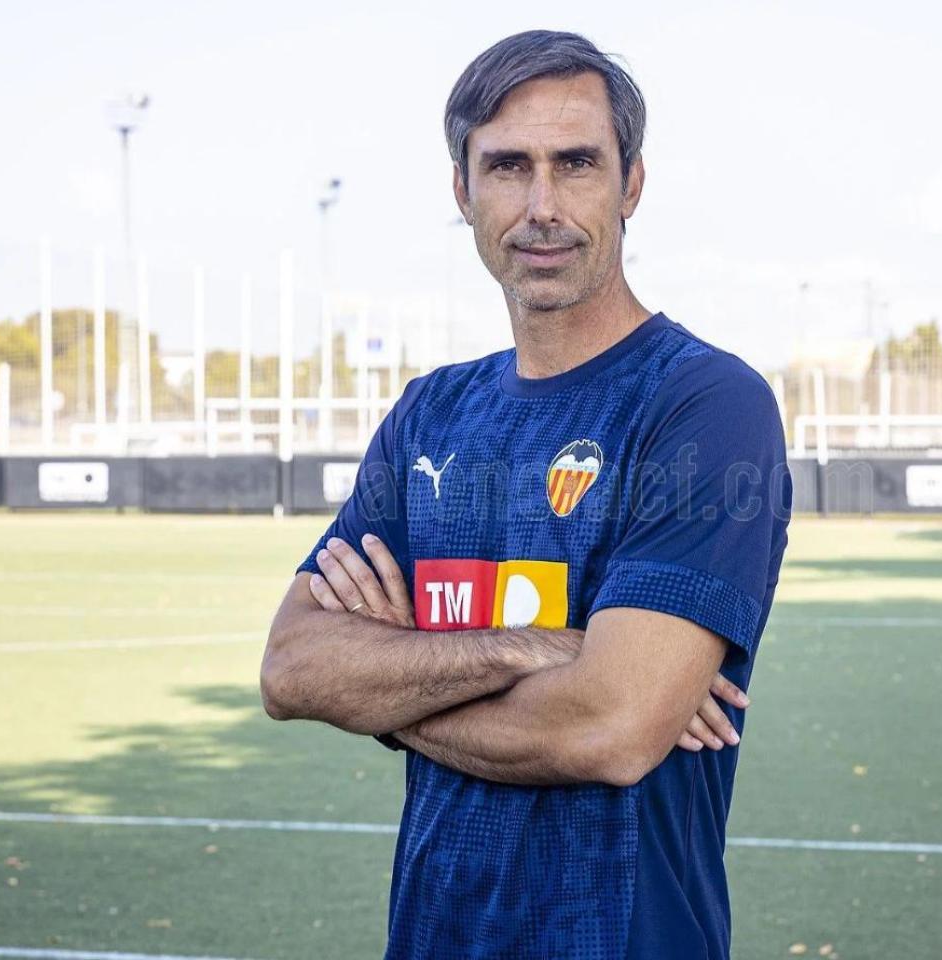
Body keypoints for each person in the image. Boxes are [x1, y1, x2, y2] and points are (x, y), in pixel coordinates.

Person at [260, 29, 790, 959]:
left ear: (631, 184)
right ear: (463, 192)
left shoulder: (704, 403)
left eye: (576, 163)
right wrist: (546, 647)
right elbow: (295, 668)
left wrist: (392, 675)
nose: (542, 206)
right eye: (508, 166)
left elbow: (613, 726)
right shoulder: (431, 413)